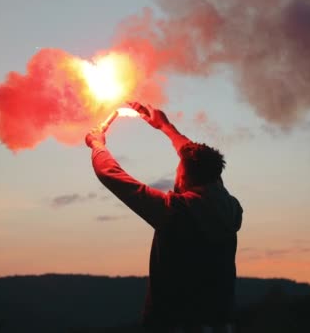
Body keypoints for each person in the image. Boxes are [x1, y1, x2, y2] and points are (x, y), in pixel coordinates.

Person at [85, 102, 243, 333]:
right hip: (221, 324)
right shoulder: (230, 206)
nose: (176, 175)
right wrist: (165, 127)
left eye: (179, 170)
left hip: (174, 324)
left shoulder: (176, 212)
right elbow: (199, 160)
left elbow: (111, 175)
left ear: (187, 176)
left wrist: (97, 144)